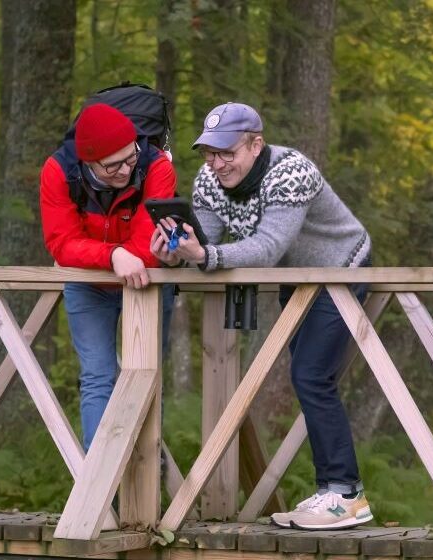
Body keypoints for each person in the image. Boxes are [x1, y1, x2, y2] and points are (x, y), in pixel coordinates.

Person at [154, 102, 374, 530]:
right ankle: (332, 490)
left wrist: (204, 254)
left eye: (227, 152)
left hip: (340, 266)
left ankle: (346, 494)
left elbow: (266, 248)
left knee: (312, 377)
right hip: (299, 275)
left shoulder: (292, 171)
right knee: (307, 376)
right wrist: (174, 253)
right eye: (209, 153)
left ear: (256, 144)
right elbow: (206, 244)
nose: (217, 163)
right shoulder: (209, 181)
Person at [39, 102, 177, 449]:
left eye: (130, 158)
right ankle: (100, 492)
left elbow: (149, 247)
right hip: (89, 287)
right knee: (97, 378)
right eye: (113, 165)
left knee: (147, 376)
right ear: (88, 162)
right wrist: (112, 254)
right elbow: (61, 243)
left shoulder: (156, 164)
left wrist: (112, 255)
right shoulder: (58, 171)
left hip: (147, 284)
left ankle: (144, 475)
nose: (126, 170)